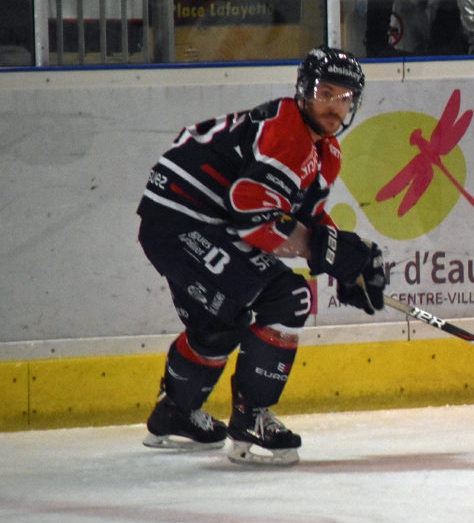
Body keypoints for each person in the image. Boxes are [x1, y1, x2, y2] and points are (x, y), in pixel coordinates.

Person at [136, 46, 388, 466]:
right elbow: (251, 217)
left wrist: (345, 262)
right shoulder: (288, 136)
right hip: (183, 223)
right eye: (326, 93)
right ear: (304, 91)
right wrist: (328, 254)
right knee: (288, 298)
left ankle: (175, 413)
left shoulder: (325, 151)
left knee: (220, 321)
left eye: (345, 98)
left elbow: (302, 213)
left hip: (183, 220)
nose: (334, 106)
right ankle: (251, 420)